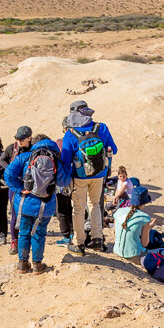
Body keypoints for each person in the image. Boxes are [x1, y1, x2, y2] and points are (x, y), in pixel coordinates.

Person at [5, 133, 68, 274]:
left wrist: (19, 189)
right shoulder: (56, 159)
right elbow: (64, 182)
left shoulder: (25, 157)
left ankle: (22, 264)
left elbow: (8, 174)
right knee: (39, 234)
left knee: (24, 232)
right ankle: (37, 265)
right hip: (45, 204)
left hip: (25, 202)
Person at [60, 100, 117, 251]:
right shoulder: (102, 128)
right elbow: (114, 149)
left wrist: (65, 179)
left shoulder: (70, 134)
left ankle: (78, 244)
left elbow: (65, 160)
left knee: (78, 209)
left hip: (79, 177)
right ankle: (97, 239)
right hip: (99, 174)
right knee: (95, 205)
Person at [1, 125, 32, 255]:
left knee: (30, 213)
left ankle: (27, 241)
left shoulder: (34, 148)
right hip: (15, 187)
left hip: (31, 186)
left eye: (21, 139)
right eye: (17, 138)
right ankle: (14, 241)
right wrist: (11, 170)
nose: (19, 141)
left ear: (29, 138)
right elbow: (1, 159)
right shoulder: (12, 148)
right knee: (14, 213)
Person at [112, 187, 157, 264]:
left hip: (116, 251)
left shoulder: (119, 211)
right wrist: (149, 227)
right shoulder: (144, 217)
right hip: (133, 256)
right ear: (144, 202)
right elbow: (144, 243)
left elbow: (115, 232)